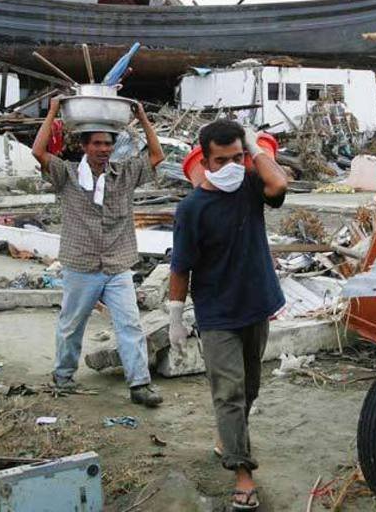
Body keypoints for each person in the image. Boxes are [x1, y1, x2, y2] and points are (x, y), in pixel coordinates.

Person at [168, 119, 288, 510]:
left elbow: (280, 185)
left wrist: (254, 145)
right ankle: (242, 474)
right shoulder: (191, 209)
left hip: (257, 303)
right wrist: (175, 316)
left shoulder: (251, 187)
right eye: (223, 160)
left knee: (249, 388)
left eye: (238, 156)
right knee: (230, 393)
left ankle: (228, 437)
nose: (233, 165)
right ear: (205, 161)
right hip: (216, 313)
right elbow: (180, 267)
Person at [31, 96, 165, 407]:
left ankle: (140, 385)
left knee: (130, 324)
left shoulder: (125, 174)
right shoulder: (66, 175)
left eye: (107, 144)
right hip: (81, 265)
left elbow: (157, 155)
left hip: (117, 264)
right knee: (71, 325)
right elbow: (38, 152)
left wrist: (142, 115)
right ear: (84, 146)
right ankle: (63, 377)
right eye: (97, 144)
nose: (103, 149)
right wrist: (53, 111)